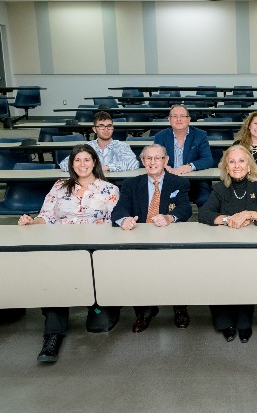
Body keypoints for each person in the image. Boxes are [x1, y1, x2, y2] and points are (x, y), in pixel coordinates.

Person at [17, 144, 119, 363]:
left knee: (97, 325)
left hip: (94, 251)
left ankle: (101, 306)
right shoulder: (60, 186)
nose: (82, 165)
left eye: (87, 160)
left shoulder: (109, 189)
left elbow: (113, 224)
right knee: (56, 286)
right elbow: (47, 215)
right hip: (63, 247)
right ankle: (52, 336)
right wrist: (32, 221)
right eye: (77, 160)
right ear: (72, 164)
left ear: (94, 163)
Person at [198, 145, 257, 343]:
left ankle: (244, 323)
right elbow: (204, 214)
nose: (237, 166)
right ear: (226, 167)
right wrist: (228, 220)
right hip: (223, 248)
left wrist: (251, 214)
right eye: (232, 162)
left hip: (251, 249)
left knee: (246, 274)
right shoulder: (219, 188)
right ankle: (225, 323)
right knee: (218, 275)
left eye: (241, 161)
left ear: (249, 166)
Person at [111, 144, 193, 333]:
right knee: (138, 270)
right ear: (142, 161)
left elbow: (185, 208)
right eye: (148, 158)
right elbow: (120, 209)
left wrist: (169, 217)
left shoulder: (179, 183)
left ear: (166, 161)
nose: (153, 162)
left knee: (176, 267)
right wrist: (125, 220)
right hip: (140, 236)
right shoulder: (131, 184)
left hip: (169, 236)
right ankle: (145, 310)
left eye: (157, 158)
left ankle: (179, 306)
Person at [153, 104, 213, 206]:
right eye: (175, 116)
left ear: (189, 119)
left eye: (182, 116)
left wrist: (190, 167)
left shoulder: (200, 135)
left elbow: (208, 159)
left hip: (195, 182)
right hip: (168, 181)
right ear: (169, 119)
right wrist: (163, 166)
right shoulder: (161, 136)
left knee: (205, 200)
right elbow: (154, 158)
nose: (179, 119)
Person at [58, 111, 139, 173]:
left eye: (109, 126)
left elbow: (133, 164)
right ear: (94, 129)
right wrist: (89, 167)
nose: (106, 129)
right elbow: (64, 164)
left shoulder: (122, 146)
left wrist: (107, 167)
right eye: (101, 126)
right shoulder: (86, 148)